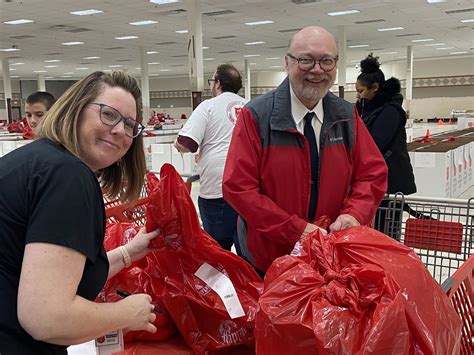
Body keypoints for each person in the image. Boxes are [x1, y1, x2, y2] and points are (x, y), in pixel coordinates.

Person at [0, 71, 161, 354]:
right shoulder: (68, 177)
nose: (120, 130)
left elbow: (54, 271)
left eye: (130, 124)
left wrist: (130, 252)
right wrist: (126, 313)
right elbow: (46, 318)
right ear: (76, 108)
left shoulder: (41, 160)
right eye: (109, 115)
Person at [222, 26, 388, 275]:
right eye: (306, 60)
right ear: (287, 62)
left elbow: (372, 173)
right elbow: (238, 187)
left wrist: (354, 215)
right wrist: (295, 230)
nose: (317, 69)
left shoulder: (346, 116)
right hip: (268, 262)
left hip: (327, 258)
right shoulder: (257, 116)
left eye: (326, 61)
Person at [174, 64, 247, 254]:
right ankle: (249, 282)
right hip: (249, 190)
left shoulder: (208, 106)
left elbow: (187, 143)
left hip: (217, 190)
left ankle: (223, 282)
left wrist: (177, 145)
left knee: (217, 251)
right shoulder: (250, 106)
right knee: (247, 249)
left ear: (218, 84)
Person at [355, 54, 418, 239]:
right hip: (377, 178)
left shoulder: (390, 111)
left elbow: (376, 143)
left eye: (361, 91)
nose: (358, 95)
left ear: (375, 88)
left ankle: (388, 264)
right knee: (375, 230)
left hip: (391, 180)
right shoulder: (369, 107)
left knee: (387, 231)